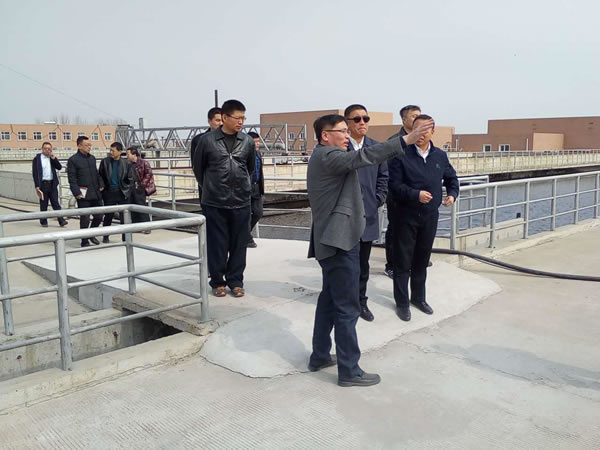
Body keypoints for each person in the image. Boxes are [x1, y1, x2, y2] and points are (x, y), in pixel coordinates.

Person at [307, 114, 432, 387]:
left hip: (333, 239)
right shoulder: (328, 156)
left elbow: (363, 161)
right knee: (347, 307)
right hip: (340, 242)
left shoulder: (325, 155)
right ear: (325, 135)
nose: (346, 135)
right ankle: (349, 371)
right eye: (341, 131)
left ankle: (319, 355)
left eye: (346, 130)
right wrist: (406, 140)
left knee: (329, 300)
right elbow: (365, 156)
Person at [388, 114, 459, 322]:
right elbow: (393, 185)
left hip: (429, 216)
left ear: (433, 132)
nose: (420, 134)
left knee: (422, 259)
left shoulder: (440, 156)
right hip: (405, 215)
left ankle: (418, 298)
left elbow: (452, 178)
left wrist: (452, 194)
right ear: (411, 131)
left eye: (425, 130)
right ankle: (402, 303)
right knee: (403, 262)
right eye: (416, 129)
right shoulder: (400, 154)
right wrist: (415, 195)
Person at [192, 99, 256, 298]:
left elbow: (250, 168)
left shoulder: (247, 141)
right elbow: (198, 169)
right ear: (225, 117)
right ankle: (218, 281)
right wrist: (212, 188)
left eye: (243, 118)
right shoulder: (207, 141)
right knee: (217, 244)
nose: (241, 122)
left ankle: (236, 281)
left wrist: (242, 188)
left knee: (239, 244)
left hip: (241, 201)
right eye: (237, 118)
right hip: (215, 201)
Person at [344, 104, 388, 322]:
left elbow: (384, 178)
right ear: (347, 123)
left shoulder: (376, 148)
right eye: (357, 119)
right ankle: (343, 300)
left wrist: (377, 200)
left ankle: (361, 301)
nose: (362, 122)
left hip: (368, 215)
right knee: (343, 263)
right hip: (344, 218)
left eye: (366, 119)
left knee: (363, 263)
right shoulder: (340, 148)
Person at [385, 105, 421, 278]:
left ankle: (414, 261)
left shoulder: (422, 139)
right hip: (397, 195)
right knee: (395, 230)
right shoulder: (394, 141)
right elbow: (387, 170)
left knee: (416, 229)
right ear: (404, 119)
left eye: (419, 116)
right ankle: (392, 264)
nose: (417, 119)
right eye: (414, 116)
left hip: (417, 194)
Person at [67, 136, 103, 247]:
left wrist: (101, 184)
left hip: (95, 192)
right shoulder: (73, 160)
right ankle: (84, 240)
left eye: (90, 145)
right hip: (83, 193)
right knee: (85, 218)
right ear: (79, 146)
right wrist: (76, 192)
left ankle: (91, 233)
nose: (89, 147)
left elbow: (96, 173)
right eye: (87, 145)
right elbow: (72, 178)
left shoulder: (92, 158)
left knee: (99, 216)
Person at [98, 142, 134, 243]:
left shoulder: (126, 163)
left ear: (120, 151)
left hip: (122, 192)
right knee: (108, 216)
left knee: (124, 217)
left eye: (113, 151)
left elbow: (131, 179)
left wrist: (127, 190)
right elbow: (100, 175)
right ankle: (105, 236)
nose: (111, 153)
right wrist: (102, 185)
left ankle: (125, 238)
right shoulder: (105, 162)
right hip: (109, 192)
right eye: (110, 150)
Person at [32, 142, 68, 228]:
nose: (47, 150)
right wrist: (37, 186)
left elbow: (59, 167)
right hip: (43, 184)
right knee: (44, 204)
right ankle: (43, 221)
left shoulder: (51, 158)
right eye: (45, 148)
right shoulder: (37, 159)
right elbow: (35, 173)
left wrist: (54, 158)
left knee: (55, 203)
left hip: (52, 183)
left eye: (49, 149)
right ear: (42, 149)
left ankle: (61, 220)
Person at [126, 147, 155, 232]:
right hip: (131, 188)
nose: (127, 156)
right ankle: (137, 227)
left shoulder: (143, 163)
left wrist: (142, 185)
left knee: (142, 207)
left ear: (134, 154)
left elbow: (148, 173)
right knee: (133, 208)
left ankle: (147, 227)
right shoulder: (128, 164)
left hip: (139, 188)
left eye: (128, 154)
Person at [246, 131, 264, 248]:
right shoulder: (244, 154)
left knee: (258, 213)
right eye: (255, 142)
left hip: (257, 187)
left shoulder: (258, 154)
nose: (257, 144)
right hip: (246, 188)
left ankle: (245, 234)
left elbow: (260, 172)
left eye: (258, 142)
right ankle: (247, 238)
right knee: (246, 215)